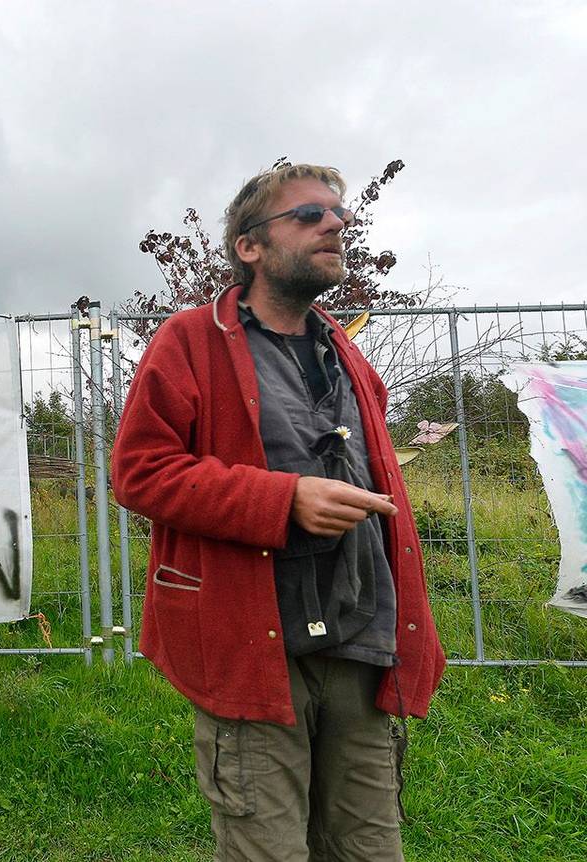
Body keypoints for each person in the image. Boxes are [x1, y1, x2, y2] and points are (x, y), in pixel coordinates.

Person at [110, 163, 446, 861]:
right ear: (250, 246)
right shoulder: (190, 341)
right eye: (309, 214)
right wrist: (284, 500)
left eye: (339, 214)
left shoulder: (346, 353)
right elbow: (139, 472)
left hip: (361, 638)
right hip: (253, 644)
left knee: (369, 849)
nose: (335, 225)